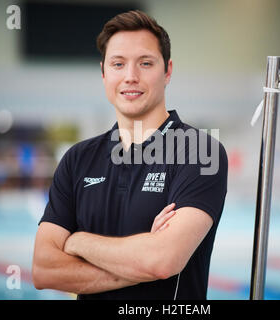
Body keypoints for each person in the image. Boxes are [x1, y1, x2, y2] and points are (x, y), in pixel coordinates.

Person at [32, 10, 228, 300]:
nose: (131, 77)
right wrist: (142, 259)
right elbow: (43, 270)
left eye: (145, 63)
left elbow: (163, 261)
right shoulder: (78, 160)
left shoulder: (199, 151)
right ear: (103, 72)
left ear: (168, 70)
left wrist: (78, 241)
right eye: (118, 64)